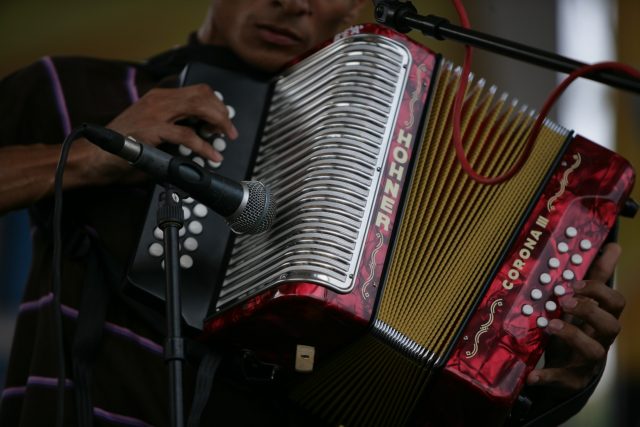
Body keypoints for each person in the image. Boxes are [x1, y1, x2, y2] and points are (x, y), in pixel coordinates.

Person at [0, 1, 627, 426]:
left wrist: (552, 381)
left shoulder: (392, 153)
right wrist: (89, 156)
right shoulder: (77, 90)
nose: (294, 0)